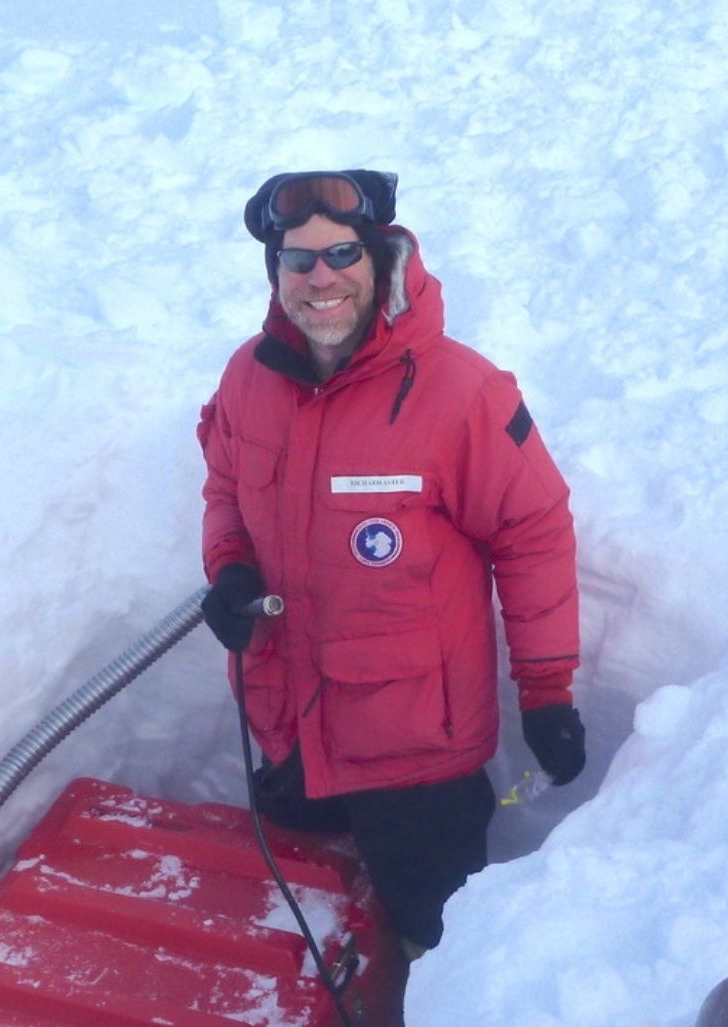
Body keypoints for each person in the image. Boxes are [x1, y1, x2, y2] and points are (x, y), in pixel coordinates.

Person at [196, 169, 584, 958]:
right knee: (298, 929)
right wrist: (230, 567)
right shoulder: (249, 378)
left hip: (419, 762)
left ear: (381, 257)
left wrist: (546, 694)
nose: (320, 279)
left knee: (434, 950)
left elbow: (534, 533)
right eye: (297, 261)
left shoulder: (461, 393)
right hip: (291, 732)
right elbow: (226, 492)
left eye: (341, 253)